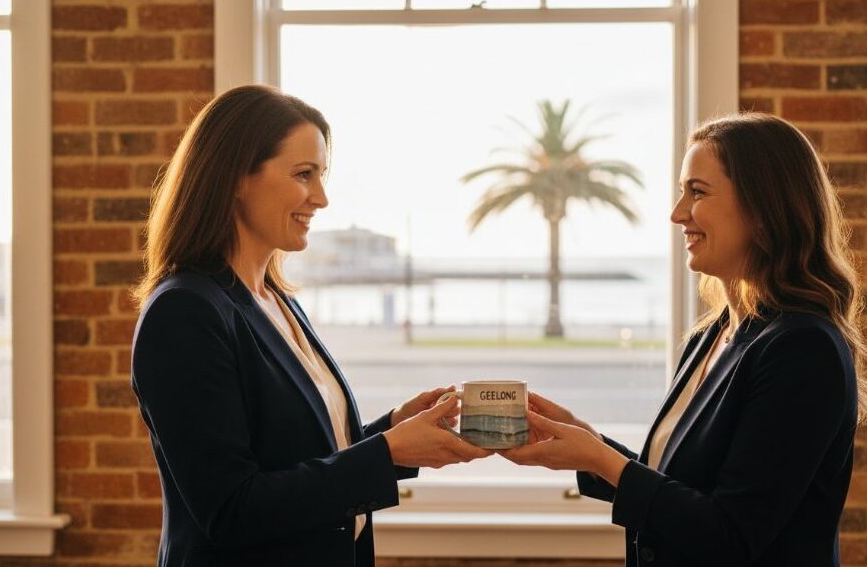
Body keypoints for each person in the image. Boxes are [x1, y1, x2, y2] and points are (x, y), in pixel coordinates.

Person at [130, 85, 492, 567]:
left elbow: (298, 454)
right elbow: (232, 509)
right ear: (236, 176)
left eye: (321, 176)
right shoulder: (184, 313)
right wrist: (385, 453)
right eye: (304, 175)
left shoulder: (274, 300)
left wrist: (392, 433)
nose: (320, 198)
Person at [501, 113, 864, 566]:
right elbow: (679, 485)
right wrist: (585, 443)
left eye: (697, 192)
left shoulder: (803, 350)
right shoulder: (711, 335)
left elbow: (728, 537)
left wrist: (600, 459)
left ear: (763, 206)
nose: (677, 214)